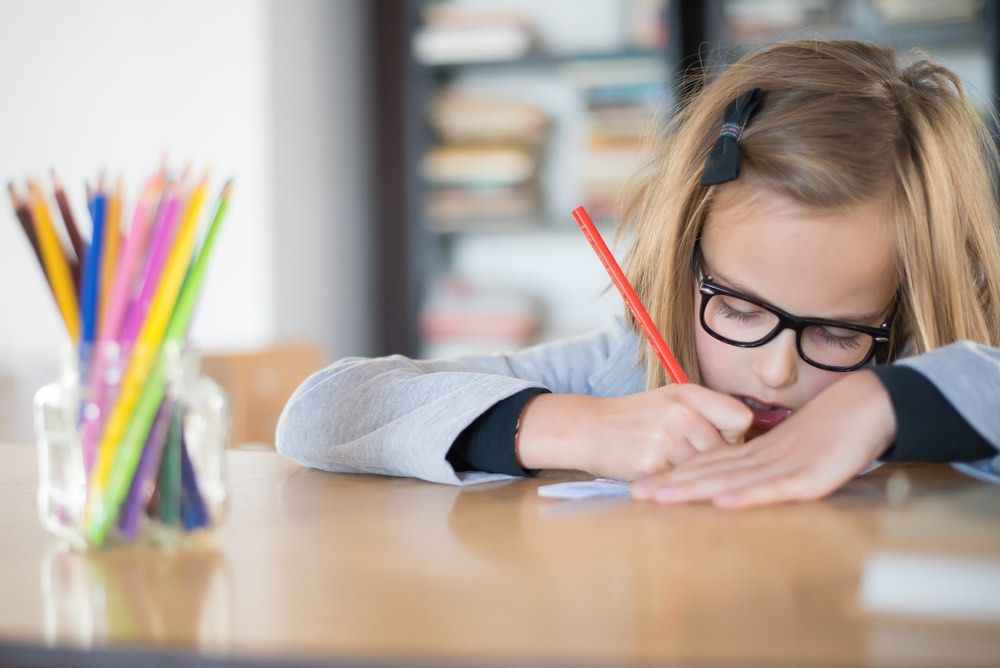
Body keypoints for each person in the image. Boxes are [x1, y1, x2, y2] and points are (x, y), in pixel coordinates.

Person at [276, 40, 1000, 506]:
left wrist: (885, 402)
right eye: (741, 311)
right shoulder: (623, 372)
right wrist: (575, 429)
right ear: (683, 265)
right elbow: (322, 412)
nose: (777, 372)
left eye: (840, 335)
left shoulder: (926, 371)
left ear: (902, 307)